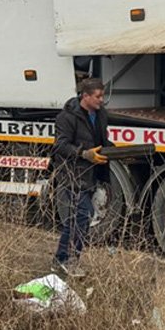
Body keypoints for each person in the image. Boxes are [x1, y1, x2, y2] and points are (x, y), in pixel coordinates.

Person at [49, 78, 113, 277]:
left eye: (102, 96)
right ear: (85, 96)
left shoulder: (101, 114)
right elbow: (60, 145)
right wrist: (83, 154)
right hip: (73, 173)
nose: (102, 100)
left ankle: (62, 259)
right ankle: (68, 260)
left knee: (80, 219)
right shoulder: (66, 118)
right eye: (98, 96)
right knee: (81, 216)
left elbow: (102, 140)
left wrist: (117, 152)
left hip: (92, 173)